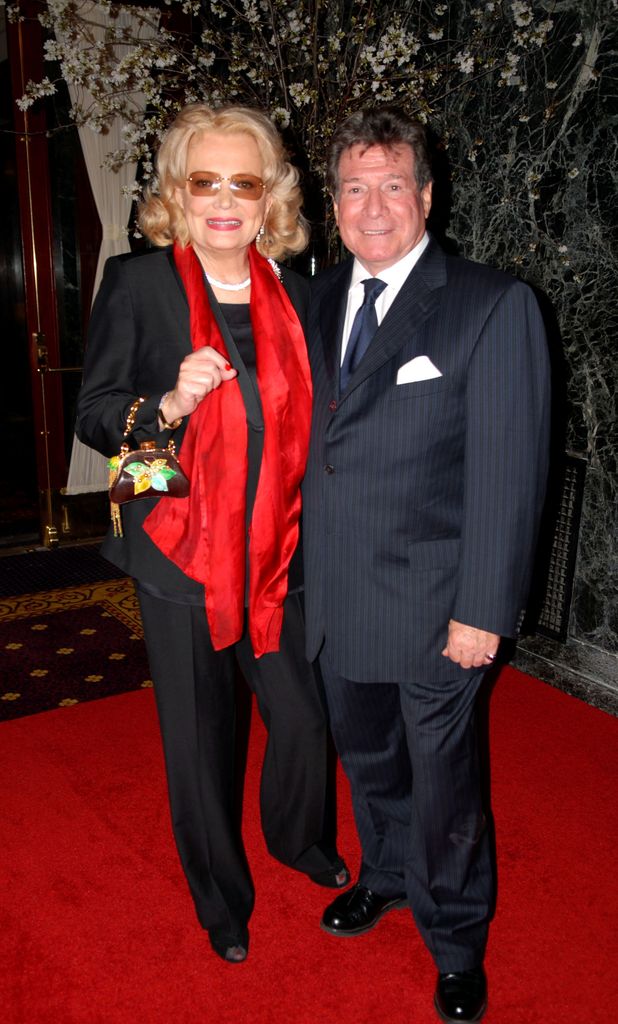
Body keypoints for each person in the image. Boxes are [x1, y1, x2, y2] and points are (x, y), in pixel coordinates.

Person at [77, 103, 348, 965]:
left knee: (302, 722)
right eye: (206, 183)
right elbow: (94, 413)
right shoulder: (139, 283)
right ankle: (219, 898)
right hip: (176, 545)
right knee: (201, 739)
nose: (225, 201)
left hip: (280, 549)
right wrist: (165, 405)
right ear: (177, 194)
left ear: (271, 197)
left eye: (245, 183)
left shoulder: (302, 295)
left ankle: (295, 840)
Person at [301, 107, 550, 1022]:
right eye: (355, 188)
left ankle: (455, 938)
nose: (374, 207)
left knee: (444, 781)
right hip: (336, 597)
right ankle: (388, 874)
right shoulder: (315, 298)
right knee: (368, 759)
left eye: (392, 185)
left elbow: (509, 472)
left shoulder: (491, 303)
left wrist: (483, 608)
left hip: (439, 604)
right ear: (334, 204)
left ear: (427, 197)